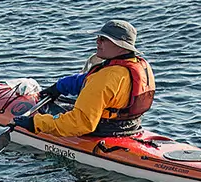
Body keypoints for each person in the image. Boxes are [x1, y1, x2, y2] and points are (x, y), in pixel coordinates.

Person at [10, 19, 155, 139]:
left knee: (51, 111)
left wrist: (34, 123)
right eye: (98, 37)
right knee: (65, 103)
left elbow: (81, 124)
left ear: (121, 47)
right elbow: (90, 81)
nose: (97, 42)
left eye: (103, 39)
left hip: (102, 130)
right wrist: (59, 87)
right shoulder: (138, 65)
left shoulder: (105, 78)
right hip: (131, 126)